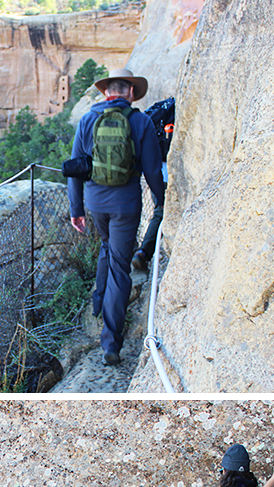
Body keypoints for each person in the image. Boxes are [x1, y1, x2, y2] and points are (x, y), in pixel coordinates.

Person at [67, 67, 167, 366]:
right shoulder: (141, 122)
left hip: (95, 203)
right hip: (126, 205)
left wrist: (76, 210)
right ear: (131, 92)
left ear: (105, 92)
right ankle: (110, 343)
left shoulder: (87, 120)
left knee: (108, 246)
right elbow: (151, 171)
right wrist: (163, 202)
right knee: (120, 270)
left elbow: (74, 169)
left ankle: (98, 302)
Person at [131, 95, 175, 273]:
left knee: (160, 209)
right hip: (171, 167)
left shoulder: (162, 108)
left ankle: (143, 252)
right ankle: (144, 252)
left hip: (156, 169)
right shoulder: (174, 110)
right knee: (162, 210)